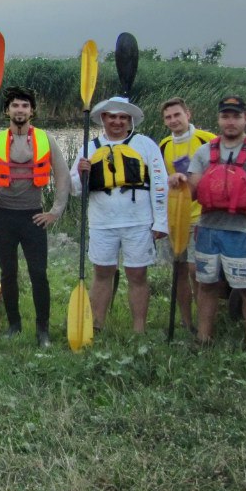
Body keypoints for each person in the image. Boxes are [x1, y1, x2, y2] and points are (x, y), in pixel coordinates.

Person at [0, 85, 71, 346]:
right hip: (3, 214)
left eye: (25, 106)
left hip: (33, 215)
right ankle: (14, 325)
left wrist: (55, 212)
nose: (20, 110)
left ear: (32, 111)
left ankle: (43, 331)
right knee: (8, 272)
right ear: (7, 110)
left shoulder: (46, 139)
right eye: (15, 106)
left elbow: (63, 176)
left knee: (38, 273)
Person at [188, 96, 246, 350]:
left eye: (236, 116)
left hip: (243, 232)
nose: (230, 122)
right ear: (219, 119)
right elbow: (192, 192)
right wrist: (178, 184)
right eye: (225, 116)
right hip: (208, 229)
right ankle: (203, 340)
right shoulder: (204, 152)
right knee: (206, 286)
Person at [71, 96, 168, 333]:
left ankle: (139, 329)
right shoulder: (89, 147)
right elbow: (75, 189)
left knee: (137, 273)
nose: (117, 122)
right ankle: (96, 325)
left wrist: (161, 221)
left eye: (123, 117)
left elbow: (160, 183)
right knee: (102, 272)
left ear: (130, 120)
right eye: (112, 117)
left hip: (138, 221)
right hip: (102, 222)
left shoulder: (145, 144)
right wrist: (81, 173)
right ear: (103, 119)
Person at [158, 98, 216, 335]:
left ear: (188, 114)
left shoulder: (207, 140)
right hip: (176, 216)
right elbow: (160, 181)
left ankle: (205, 323)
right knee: (180, 270)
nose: (173, 121)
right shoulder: (163, 145)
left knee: (197, 272)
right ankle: (186, 321)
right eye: (168, 117)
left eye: (177, 115)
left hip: (202, 216)